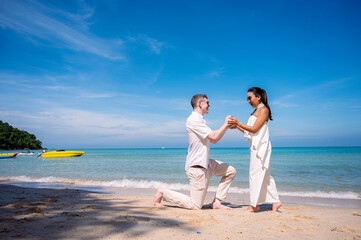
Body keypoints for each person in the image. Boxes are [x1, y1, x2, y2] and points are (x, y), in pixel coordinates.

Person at [153, 94, 237, 210]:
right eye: (207, 102)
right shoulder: (194, 120)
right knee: (196, 205)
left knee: (230, 171)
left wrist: (226, 127)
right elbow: (213, 137)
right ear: (199, 104)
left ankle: (217, 202)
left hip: (206, 164)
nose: (209, 105)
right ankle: (162, 192)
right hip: (197, 168)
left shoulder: (200, 120)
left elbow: (214, 138)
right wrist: (225, 124)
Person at [229, 87, 282, 212]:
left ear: (258, 97)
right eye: (247, 99)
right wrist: (237, 126)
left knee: (255, 175)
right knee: (265, 175)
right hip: (255, 146)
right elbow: (250, 132)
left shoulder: (264, 110)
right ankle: (276, 201)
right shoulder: (256, 111)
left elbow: (254, 129)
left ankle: (254, 205)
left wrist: (239, 123)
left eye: (250, 98)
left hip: (261, 147)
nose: (248, 101)